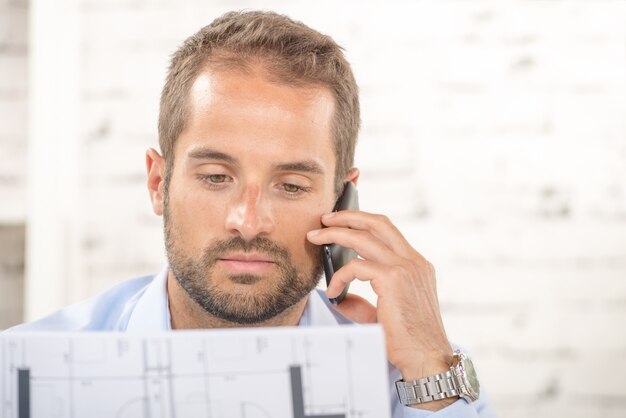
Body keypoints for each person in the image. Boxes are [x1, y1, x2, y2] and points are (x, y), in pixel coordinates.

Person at [8, 10, 497, 417]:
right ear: (159, 183)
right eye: (217, 177)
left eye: (290, 185)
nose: (248, 220)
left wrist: (434, 368)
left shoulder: (418, 381)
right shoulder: (24, 377)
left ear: (341, 201)